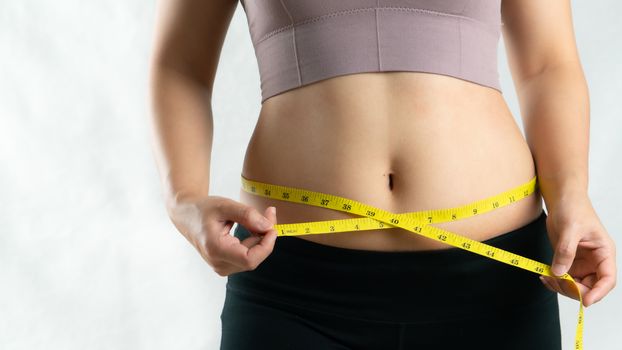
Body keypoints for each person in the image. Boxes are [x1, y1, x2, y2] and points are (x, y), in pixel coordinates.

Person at [148, 0, 617, 349]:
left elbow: (547, 65)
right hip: (293, 288)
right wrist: (184, 198)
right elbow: (180, 64)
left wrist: (572, 196)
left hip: (497, 284)